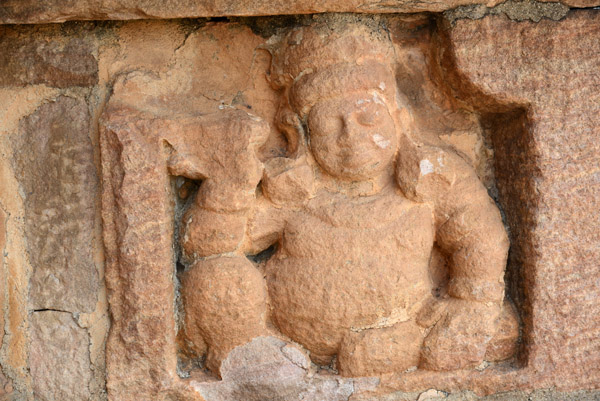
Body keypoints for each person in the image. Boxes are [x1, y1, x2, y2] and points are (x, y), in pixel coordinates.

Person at [177, 20, 511, 377]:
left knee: (474, 330)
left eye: (368, 117)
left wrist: (471, 301)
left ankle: (397, 352)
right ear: (301, 133)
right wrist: (230, 184)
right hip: (283, 343)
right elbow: (211, 246)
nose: (351, 136)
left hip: (405, 330)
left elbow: (480, 237)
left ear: (398, 119)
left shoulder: (433, 179)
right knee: (215, 274)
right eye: (329, 125)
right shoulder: (295, 194)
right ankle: (247, 353)